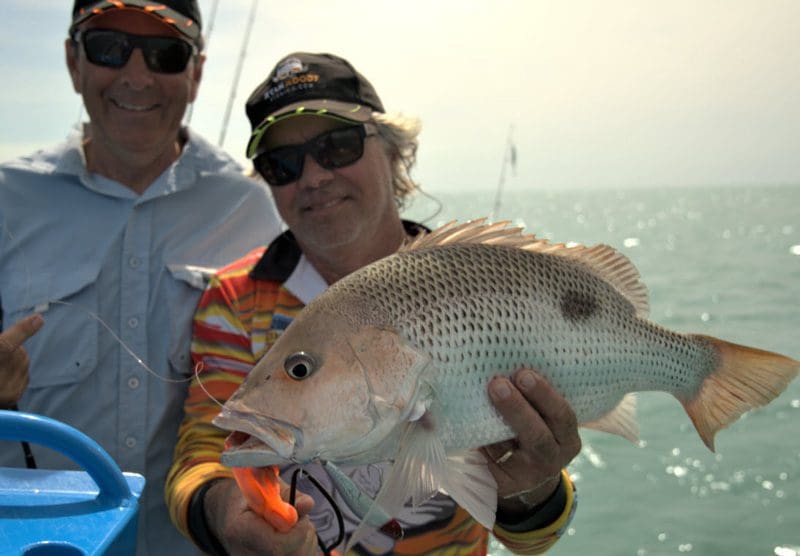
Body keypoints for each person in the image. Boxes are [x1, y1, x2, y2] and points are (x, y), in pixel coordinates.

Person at [166, 52, 582, 555]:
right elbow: (201, 458)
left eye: (337, 146)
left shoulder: (482, 288)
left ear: (393, 152)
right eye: (282, 164)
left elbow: (533, 539)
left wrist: (532, 487)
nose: (314, 177)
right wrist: (230, 516)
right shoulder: (233, 298)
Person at [0, 2, 281, 554]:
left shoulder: (256, 209)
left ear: (195, 73)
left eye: (165, 54)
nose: (136, 75)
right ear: (73, 61)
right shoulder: (7, 200)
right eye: (109, 48)